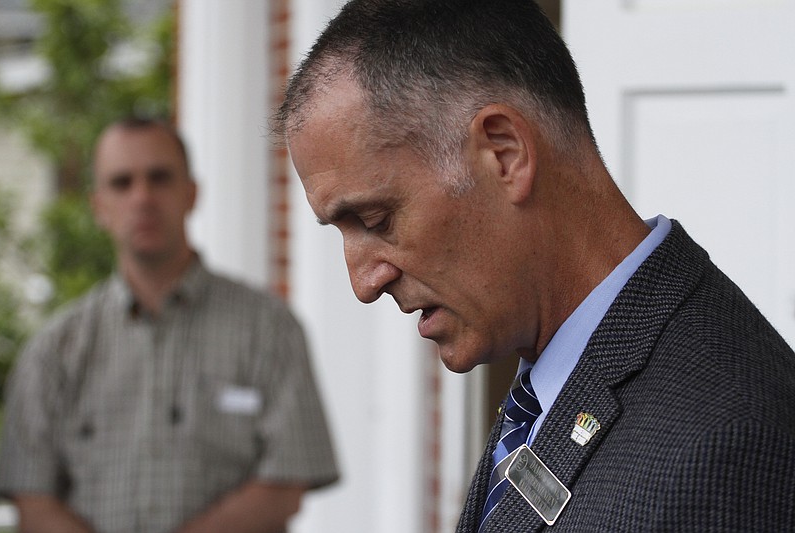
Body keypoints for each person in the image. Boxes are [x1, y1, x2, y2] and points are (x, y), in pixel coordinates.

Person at [274, 0, 795, 531]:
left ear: (504, 152)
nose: (363, 283)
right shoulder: (557, 380)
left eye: (376, 218)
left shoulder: (729, 443)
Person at [0, 118, 339, 533]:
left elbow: (287, 481)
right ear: (98, 206)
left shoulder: (269, 330)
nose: (142, 197)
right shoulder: (53, 351)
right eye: (122, 183)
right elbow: (32, 500)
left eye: (159, 178)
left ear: (192, 193)